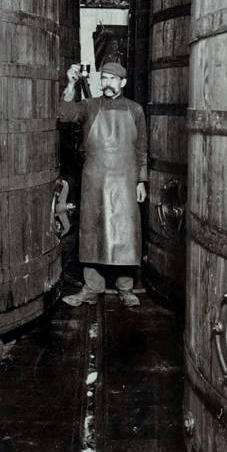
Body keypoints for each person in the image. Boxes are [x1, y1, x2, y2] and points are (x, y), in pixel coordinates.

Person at [58, 61, 147, 307]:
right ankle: (91, 288)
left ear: (123, 82)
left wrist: (141, 181)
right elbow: (64, 114)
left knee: (126, 236)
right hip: (95, 180)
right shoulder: (90, 106)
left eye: (113, 79)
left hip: (126, 181)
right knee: (92, 235)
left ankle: (125, 289)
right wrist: (71, 84)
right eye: (104, 78)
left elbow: (142, 149)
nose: (107, 83)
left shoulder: (135, 110)